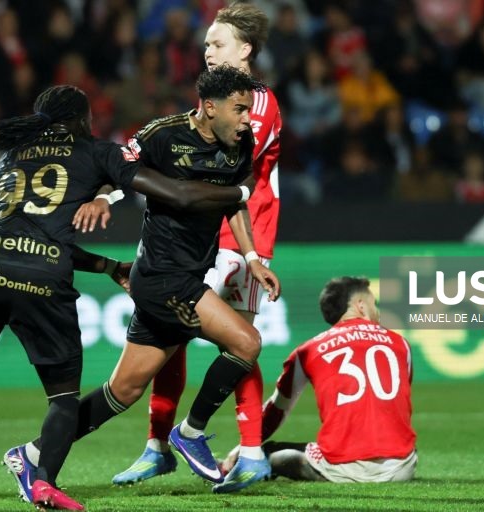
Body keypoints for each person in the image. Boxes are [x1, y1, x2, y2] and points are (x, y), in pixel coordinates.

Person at [0, 84, 256, 511]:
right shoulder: (96, 152)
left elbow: (33, 231)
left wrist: (107, 263)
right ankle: (45, 480)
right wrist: (244, 191)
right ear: (82, 120)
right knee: (62, 398)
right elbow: (181, 194)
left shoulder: (10, 158)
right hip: (48, 280)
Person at [3, 65, 280, 500]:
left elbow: (234, 205)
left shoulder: (237, 143)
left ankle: (33, 454)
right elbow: (117, 168)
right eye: (240, 109)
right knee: (246, 343)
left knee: (123, 391)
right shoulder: (162, 135)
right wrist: (100, 196)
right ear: (209, 107)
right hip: (162, 277)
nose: (248, 119)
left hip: (187, 274)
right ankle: (190, 432)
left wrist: (250, 256)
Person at [110, 2, 283, 493]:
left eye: (217, 42)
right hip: (201, 234)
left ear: (244, 49)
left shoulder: (258, 105)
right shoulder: (210, 103)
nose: (206, 50)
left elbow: (232, 168)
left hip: (241, 231)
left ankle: (249, 452)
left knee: (239, 339)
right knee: (174, 331)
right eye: (206, 43)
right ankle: (158, 446)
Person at [224, 276, 417, 483]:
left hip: (343, 469)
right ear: (361, 306)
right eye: (374, 304)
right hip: (402, 467)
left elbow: (277, 410)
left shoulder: (308, 351)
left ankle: (236, 464)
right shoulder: (401, 344)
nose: (378, 312)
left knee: (267, 452)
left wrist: (244, 447)